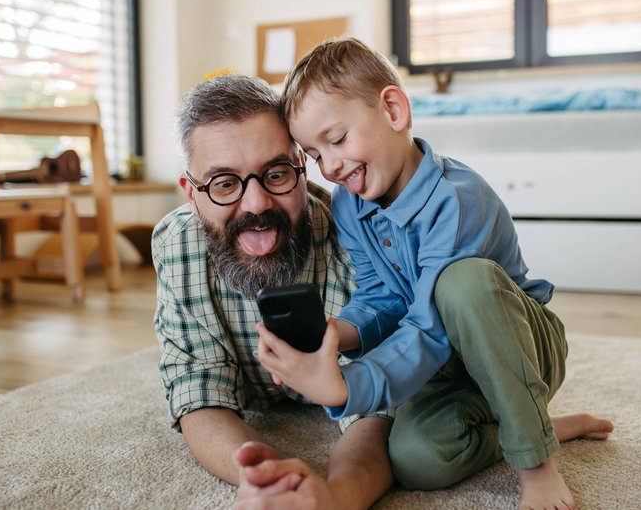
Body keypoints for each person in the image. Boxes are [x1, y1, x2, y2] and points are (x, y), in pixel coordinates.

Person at [256, 37, 614, 510]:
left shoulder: (459, 200)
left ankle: (537, 460)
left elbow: (430, 326)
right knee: (416, 459)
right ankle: (538, 423)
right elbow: (382, 297)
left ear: (394, 110)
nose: (333, 167)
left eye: (338, 140)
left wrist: (350, 385)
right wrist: (334, 333)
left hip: (521, 344)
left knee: (461, 283)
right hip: (449, 367)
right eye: (315, 155)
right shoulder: (350, 204)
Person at [152, 74, 393, 508]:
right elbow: (197, 391)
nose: (257, 204)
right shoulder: (176, 244)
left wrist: (339, 497)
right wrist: (269, 475)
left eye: (277, 174)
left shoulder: (355, 234)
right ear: (192, 194)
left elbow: (376, 406)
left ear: (303, 168)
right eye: (224, 183)